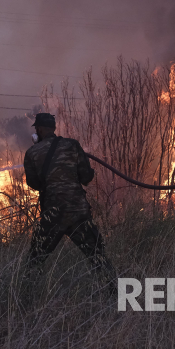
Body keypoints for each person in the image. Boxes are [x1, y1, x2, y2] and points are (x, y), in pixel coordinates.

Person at [21, 113, 117, 303]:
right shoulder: (72, 145)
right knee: (97, 256)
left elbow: (33, 184)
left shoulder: (32, 153)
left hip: (52, 215)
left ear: (38, 130)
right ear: (54, 128)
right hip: (78, 213)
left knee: (35, 259)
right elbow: (86, 178)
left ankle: (24, 299)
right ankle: (114, 296)